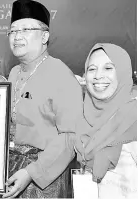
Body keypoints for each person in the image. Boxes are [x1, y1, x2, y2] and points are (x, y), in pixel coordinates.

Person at [3, 0, 83, 198]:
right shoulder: (13, 73)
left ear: (44, 36)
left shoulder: (61, 74)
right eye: (13, 31)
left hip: (44, 178)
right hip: (10, 169)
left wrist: (31, 173)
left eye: (26, 29)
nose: (17, 37)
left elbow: (70, 136)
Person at [73, 43, 137, 198]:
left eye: (108, 68)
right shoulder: (83, 115)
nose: (98, 76)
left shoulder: (133, 116)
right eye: (92, 69)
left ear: (122, 71)